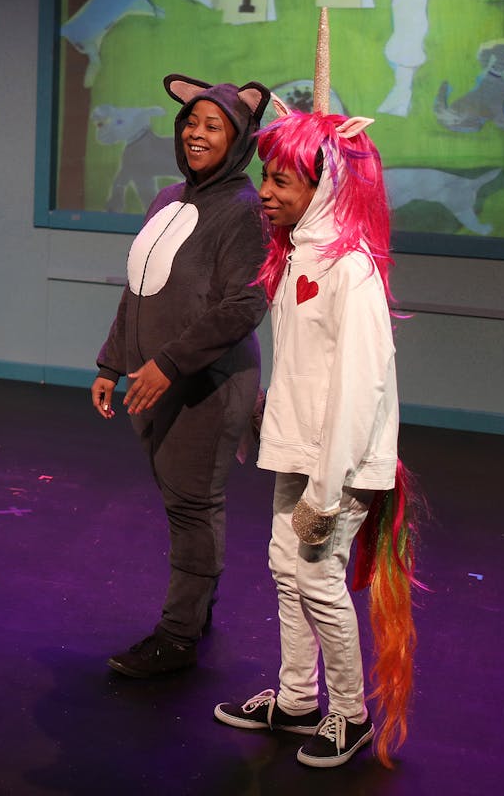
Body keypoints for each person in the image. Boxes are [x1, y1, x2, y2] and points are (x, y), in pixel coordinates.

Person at [213, 108, 421, 769]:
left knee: (318, 576)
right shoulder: (298, 252)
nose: (265, 192)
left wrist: (327, 492)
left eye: (281, 180)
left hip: (341, 464)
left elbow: (360, 389)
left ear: (324, 184)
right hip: (301, 452)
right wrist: (275, 423)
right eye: (264, 177)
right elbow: (308, 366)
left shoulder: (350, 270)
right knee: (286, 571)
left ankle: (350, 714)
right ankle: (298, 697)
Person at [91, 74, 271, 678]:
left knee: (194, 505)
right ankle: (197, 610)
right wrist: (112, 362)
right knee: (180, 502)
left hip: (208, 385)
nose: (196, 133)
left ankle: (177, 636)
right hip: (151, 382)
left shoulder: (245, 209)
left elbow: (246, 303)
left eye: (212, 126)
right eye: (191, 123)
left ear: (239, 137)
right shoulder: (167, 198)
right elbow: (137, 290)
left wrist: (168, 364)